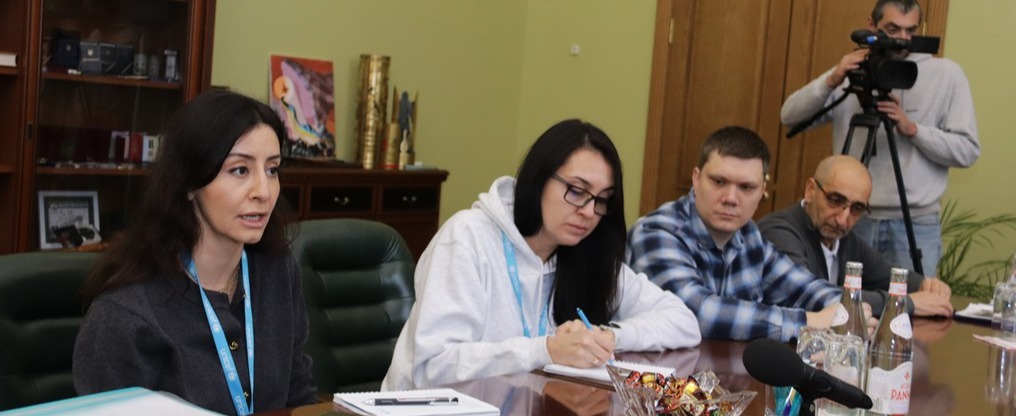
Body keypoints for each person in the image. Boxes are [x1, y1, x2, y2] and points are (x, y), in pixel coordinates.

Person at [382, 119, 701, 390]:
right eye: (577, 191)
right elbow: (432, 367)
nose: (589, 211)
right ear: (539, 178)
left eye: (602, 199)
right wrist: (546, 350)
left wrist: (606, 336)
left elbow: (683, 321)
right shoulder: (468, 237)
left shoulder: (584, 251)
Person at [73, 90, 316, 415]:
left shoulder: (278, 271)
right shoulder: (125, 313)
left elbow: (299, 396)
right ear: (189, 183)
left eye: (272, 169)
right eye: (240, 170)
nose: (264, 191)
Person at [781, 0, 979, 276]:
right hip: (850, 216)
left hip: (914, 223)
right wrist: (833, 79)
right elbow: (789, 116)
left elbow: (968, 151)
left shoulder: (946, 75)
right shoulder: (855, 70)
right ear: (871, 26)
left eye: (910, 31)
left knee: (913, 300)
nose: (902, 39)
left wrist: (914, 130)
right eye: (892, 29)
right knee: (843, 298)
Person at [627, 126, 851, 342]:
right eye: (719, 181)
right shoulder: (656, 231)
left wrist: (849, 310)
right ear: (696, 178)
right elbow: (696, 314)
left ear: (762, 191)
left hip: (719, 367)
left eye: (746, 187)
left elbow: (804, 288)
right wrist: (808, 322)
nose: (731, 198)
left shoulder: (748, 235)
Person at [757, 155, 953, 318]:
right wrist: (903, 302)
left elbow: (887, 275)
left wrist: (925, 284)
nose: (843, 220)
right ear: (810, 191)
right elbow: (811, 296)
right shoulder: (778, 231)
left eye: (857, 208)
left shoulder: (844, 239)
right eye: (835, 200)